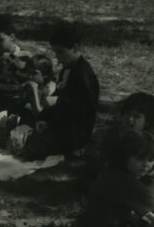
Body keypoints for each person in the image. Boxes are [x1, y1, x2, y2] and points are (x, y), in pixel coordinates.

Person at [19, 23, 100, 160]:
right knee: (22, 136)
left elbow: (86, 107)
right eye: (56, 53)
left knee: (27, 149)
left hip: (74, 131)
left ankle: (72, 150)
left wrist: (59, 101)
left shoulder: (84, 74)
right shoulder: (67, 68)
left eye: (61, 52)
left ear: (75, 48)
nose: (58, 57)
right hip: (61, 124)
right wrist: (47, 119)